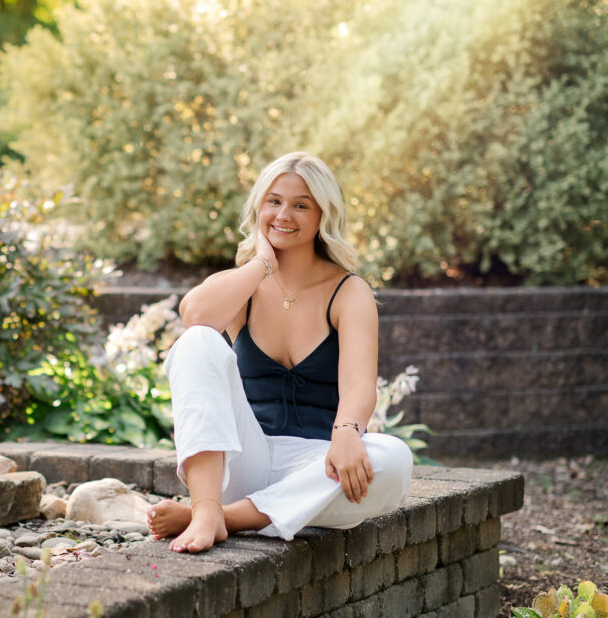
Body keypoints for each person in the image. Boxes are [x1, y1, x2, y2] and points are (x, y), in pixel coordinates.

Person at [146, 152, 413, 553]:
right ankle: (206, 507)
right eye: (274, 201)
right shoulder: (243, 283)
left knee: (393, 457)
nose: (284, 214)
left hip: (318, 468)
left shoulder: (347, 290)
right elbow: (195, 316)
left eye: (301, 204)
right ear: (258, 208)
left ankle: (225, 518)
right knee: (196, 342)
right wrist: (261, 266)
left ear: (323, 214)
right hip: (245, 460)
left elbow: (360, 384)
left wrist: (346, 434)